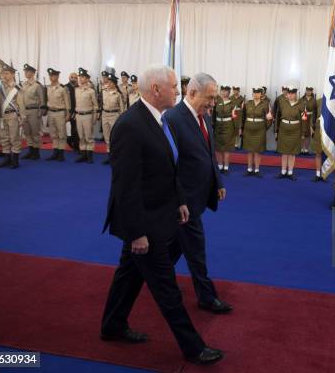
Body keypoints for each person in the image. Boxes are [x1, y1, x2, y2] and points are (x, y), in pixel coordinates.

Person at [101, 65, 222, 365]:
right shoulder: (131, 125)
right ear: (156, 90)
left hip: (160, 212)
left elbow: (168, 168)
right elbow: (125, 186)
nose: (178, 92)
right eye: (173, 87)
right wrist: (136, 232)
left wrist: (179, 200)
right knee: (167, 288)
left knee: (128, 275)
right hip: (145, 222)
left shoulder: (157, 120)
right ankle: (193, 347)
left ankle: (112, 325)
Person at [163, 72, 233, 314]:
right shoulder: (172, 118)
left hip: (199, 195)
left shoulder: (203, 116)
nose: (213, 103)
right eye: (210, 97)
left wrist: (218, 181)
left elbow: (208, 152)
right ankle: (206, 296)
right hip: (184, 202)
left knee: (175, 245)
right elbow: (169, 166)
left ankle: (156, 277)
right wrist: (179, 200)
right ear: (192, 93)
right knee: (196, 248)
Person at [0, 60, 25, 169]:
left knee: (14, 138)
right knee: (4, 138)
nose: (4, 75)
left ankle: (15, 160)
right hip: (3, 116)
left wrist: (22, 117)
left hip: (13, 116)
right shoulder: (0, 87)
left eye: (7, 73)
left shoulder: (17, 88)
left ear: (12, 74)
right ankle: (7, 159)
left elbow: (21, 104)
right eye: (3, 73)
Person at [275, 85, 304, 179]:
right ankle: (283, 171)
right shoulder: (282, 103)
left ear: (295, 94)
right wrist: (276, 130)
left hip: (295, 130)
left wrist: (302, 133)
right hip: (283, 129)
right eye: (289, 93)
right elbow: (277, 117)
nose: (291, 95)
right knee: (284, 152)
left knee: (292, 152)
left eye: (293, 93)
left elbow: (304, 120)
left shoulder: (301, 104)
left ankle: (290, 172)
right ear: (287, 94)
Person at [242, 86, 272, 176]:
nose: (256, 95)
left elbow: (269, 119)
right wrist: (242, 128)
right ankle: (249, 169)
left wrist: (264, 128)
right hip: (248, 130)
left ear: (261, 94)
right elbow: (243, 117)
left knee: (258, 151)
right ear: (252, 94)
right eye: (254, 93)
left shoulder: (265, 104)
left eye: (258, 93)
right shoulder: (247, 104)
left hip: (260, 131)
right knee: (250, 150)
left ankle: (257, 170)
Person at [19, 64, 45, 160]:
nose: (25, 73)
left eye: (28, 71)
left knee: (35, 132)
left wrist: (40, 112)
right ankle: (30, 151)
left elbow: (42, 101)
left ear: (33, 73)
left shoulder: (37, 86)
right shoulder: (23, 85)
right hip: (24, 111)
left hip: (34, 111)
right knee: (27, 132)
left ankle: (36, 152)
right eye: (25, 71)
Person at [45, 68, 71, 162]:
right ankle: (55, 152)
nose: (51, 77)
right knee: (53, 133)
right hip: (51, 112)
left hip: (60, 112)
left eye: (53, 75)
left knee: (61, 133)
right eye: (50, 75)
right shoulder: (47, 88)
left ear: (57, 76)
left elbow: (67, 102)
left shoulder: (62, 88)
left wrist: (68, 114)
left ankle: (61, 153)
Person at [74, 68, 99, 164]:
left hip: (87, 115)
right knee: (81, 136)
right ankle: (83, 154)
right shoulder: (76, 90)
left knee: (89, 136)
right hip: (78, 115)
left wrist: (95, 116)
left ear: (87, 79)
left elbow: (95, 105)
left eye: (83, 77)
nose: (80, 78)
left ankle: (90, 155)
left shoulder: (91, 91)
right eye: (80, 77)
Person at [101, 73, 126, 165]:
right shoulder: (103, 92)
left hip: (114, 115)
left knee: (114, 137)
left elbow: (122, 109)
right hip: (105, 115)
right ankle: (109, 156)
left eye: (111, 82)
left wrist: (121, 119)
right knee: (107, 137)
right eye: (108, 82)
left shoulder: (118, 94)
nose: (109, 84)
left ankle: (116, 156)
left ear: (115, 83)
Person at [212, 85, 237, 173]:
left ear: (229, 92)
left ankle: (226, 167)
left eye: (226, 91)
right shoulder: (216, 102)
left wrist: (236, 129)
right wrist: (212, 125)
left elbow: (235, 117)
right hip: (218, 125)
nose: (223, 92)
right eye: (222, 90)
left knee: (226, 148)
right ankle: (220, 165)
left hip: (228, 126)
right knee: (218, 147)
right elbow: (214, 115)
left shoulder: (232, 103)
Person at [65, 72, 80, 152]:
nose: (73, 79)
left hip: (77, 111)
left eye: (75, 77)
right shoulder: (65, 87)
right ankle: (69, 141)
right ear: (69, 78)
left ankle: (76, 145)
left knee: (75, 129)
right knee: (69, 129)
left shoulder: (79, 87)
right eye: (72, 77)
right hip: (68, 111)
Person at [300, 87, 317, 155]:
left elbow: (315, 110)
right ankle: (301, 149)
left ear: (312, 91)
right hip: (303, 118)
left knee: (308, 134)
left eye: (310, 91)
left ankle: (306, 149)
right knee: (302, 134)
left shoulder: (314, 100)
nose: (308, 92)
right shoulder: (301, 99)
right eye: (307, 90)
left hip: (310, 118)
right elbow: (299, 108)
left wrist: (314, 119)